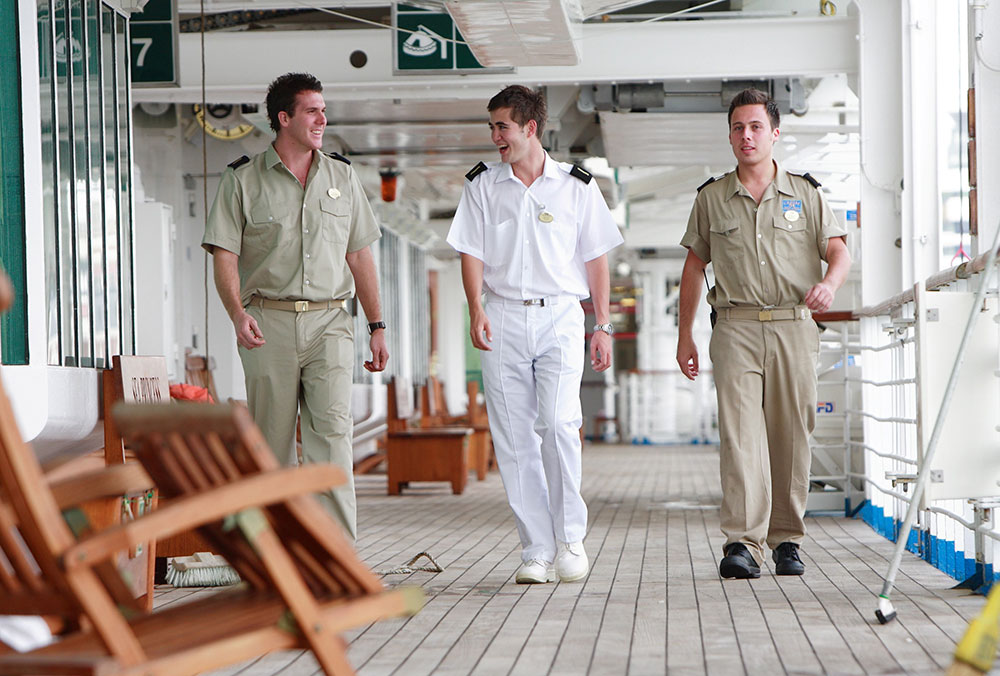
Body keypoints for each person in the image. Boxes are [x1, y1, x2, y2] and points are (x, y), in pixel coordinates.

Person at [447, 85, 623, 584]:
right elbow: (470, 251)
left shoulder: (577, 186)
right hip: (502, 315)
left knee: (559, 424)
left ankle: (570, 540)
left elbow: (596, 258)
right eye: (491, 127)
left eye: (502, 126)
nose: (494, 137)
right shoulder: (482, 186)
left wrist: (603, 324)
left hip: (561, 316)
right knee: (514, 438)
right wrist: (475, 306)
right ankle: (536, 551)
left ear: (529, 128)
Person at [202, 72, 388, 542]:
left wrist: (378, 325)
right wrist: (236, 314)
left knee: (332, 441)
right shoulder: (243, 180)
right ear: (284, 119)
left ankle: (337, 558)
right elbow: (225, 254)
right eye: (312, 111)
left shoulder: (343, 177)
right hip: (268, 324)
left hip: (331, 321)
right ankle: (276, 558)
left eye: (324, 110)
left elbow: (360, 254)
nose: (322, 119)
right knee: (272, 448)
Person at [676, 88, 851, 579]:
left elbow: (838, 251)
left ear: (775, 133)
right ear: (730, 135)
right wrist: (684, 336)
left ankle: (787, 540)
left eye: (755, 127)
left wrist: (829, 285)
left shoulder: (806, 193)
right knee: (739, 436)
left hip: (795, 327)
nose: (746, 136)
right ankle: (740, 541)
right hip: (735, 328)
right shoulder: (712, 198)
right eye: (738, 128)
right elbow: (693, 268)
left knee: (792, 435)